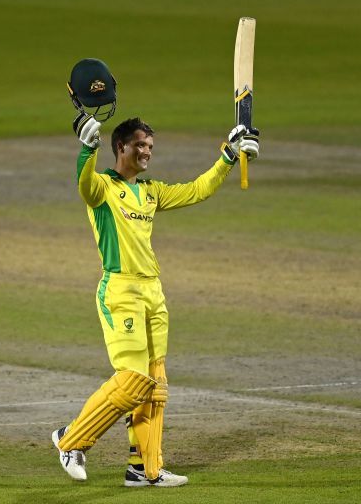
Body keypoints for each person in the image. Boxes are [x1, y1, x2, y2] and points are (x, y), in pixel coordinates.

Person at [52, 113, 259, 487]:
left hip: (153, 292)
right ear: (121, 147)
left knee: (155, 385)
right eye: (140, 146)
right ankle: (71, 441)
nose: (146, 152)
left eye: (150, 147)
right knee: (132, 381)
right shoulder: (101, 188)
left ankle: (145, 470)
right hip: (120, 290)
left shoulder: (150, 192)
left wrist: (229, 156)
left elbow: (197, 190)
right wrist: (87, 150)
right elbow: (83, 184)